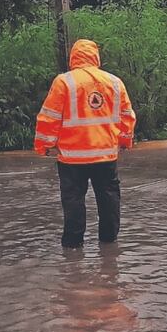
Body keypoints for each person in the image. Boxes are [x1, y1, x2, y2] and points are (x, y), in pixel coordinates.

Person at [34, 39, 136, 248]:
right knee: (109, 199)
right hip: (105, 155)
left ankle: (73, 247)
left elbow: (49, 118)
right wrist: (125, 141)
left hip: (72, 157)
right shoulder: (115, 82)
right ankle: (109, 245)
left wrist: (44, 145)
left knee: (73, 201)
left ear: (73, 57)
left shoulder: (64, 82)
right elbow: (127, 116)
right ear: (96, 57)